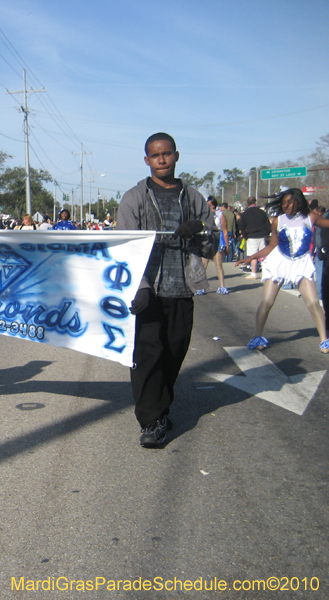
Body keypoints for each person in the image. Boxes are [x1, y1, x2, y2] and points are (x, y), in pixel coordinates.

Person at [116, 132, 216, 448]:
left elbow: (212, 243)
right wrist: (141, 286)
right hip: (148, 293)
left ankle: (161, 409)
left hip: (182, 288)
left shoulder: (194, 198)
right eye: (155, 155)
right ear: (147, 160)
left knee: (173, 354)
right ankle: (152, 422)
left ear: (176, 156)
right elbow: (125, 247)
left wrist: (199, 229)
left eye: (167, 153)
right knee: (148, 357)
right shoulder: (134, 198)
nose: (161, 159)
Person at [236, 188, 329, 353]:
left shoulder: (311, 217)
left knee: (313, 302)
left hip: (301, 263)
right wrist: (252, 257)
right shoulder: (278, 221)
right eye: (284, 203)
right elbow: (272, 246)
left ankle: (324, 341)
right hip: (279, 262)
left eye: (290, 202)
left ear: (298, 202)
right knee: (267, 302)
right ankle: (257, 336)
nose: (286, 205)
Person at [196, 198, 229, 295]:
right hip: (206, 239)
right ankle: (201, 287)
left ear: (213, 205)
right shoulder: (203, 215)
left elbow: (225, 230)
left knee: (218, 264)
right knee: (203, 264)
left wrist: (227, 246)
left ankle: (222, 286)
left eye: (209, 205)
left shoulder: (220, 215)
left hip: (218, 239)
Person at [238, 196, 270, 279]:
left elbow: (241, 226)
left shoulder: (245, 213)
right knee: (263, 255)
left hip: (251, 236)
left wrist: (245, 236)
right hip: (262, 235)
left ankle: (254, 273)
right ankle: (264, 272)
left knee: (253, 255)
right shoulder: (261, 212)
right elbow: (267, 224)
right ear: (255, 202)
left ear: (248, 203)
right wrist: (267, 233)